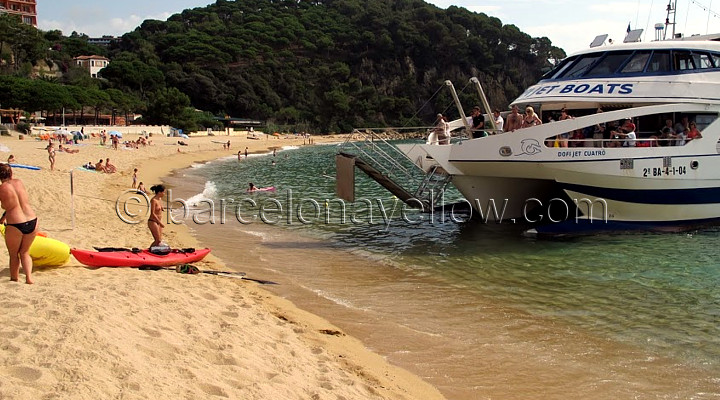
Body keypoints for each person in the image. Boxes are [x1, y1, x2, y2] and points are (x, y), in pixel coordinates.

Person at [0, 164, 38, 284]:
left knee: (13, 254)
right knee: (25, 252)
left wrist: (2, 218)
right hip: (32, 220)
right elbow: (17, 203)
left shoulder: (1, 189)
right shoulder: (19, 182)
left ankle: (14, 279)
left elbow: (8, 206)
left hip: (16, 224)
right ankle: (29, 278)